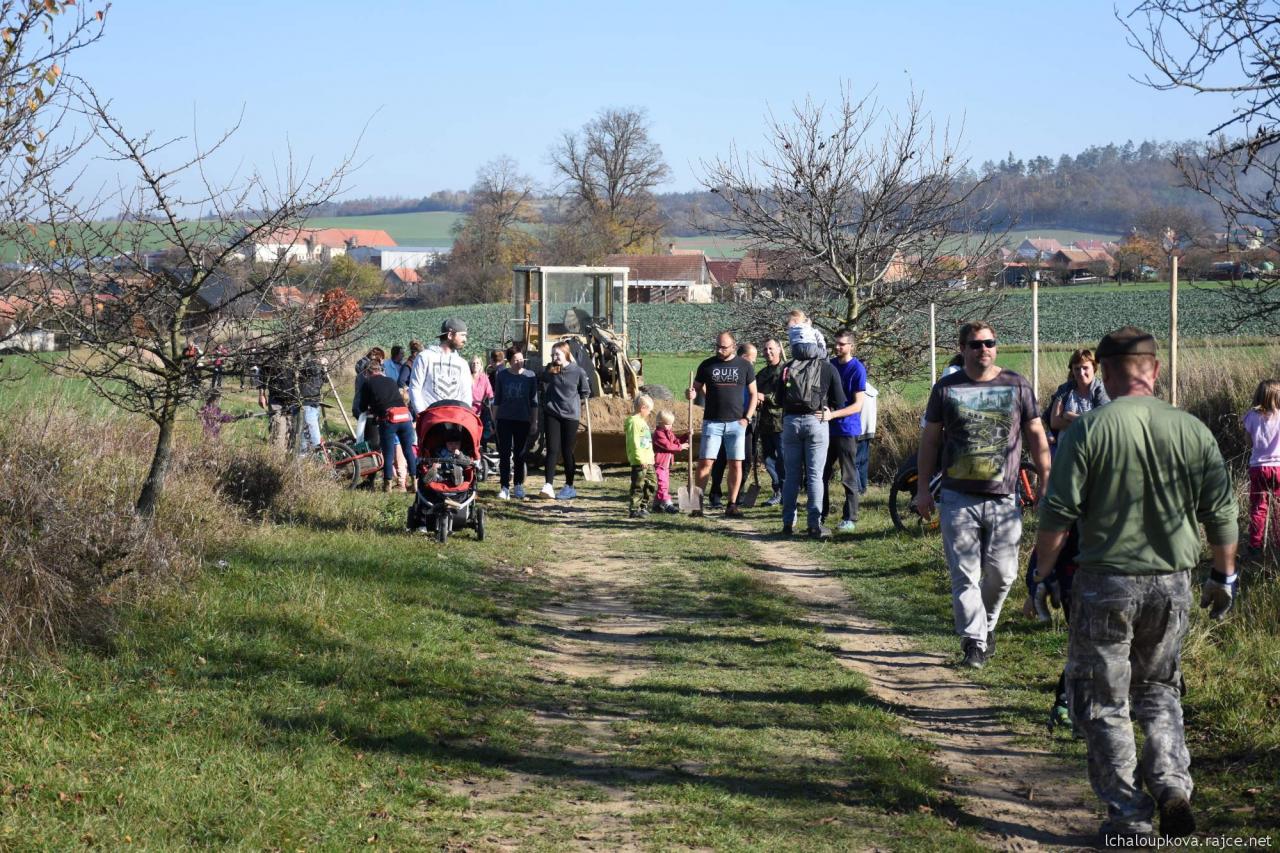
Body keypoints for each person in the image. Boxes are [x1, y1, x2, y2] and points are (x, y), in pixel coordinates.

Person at [1034, 326, 1237, 843]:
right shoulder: (1192, 429)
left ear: (1104, 372)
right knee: (1159, 688)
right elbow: (1221, 512)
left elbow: (1058, 514)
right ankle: (1171, 784)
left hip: (1105, 583)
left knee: (1105, 700)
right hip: (1172, 583)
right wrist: (1224, 574)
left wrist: (1043, 573)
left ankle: (1129, 817)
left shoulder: (1088, 430)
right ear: (1155, 369)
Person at [917, 320, 1052, 669]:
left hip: (1004, 498)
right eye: (976, 344)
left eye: (989, 343)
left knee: (1004, 574)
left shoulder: (1016, 384)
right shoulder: (946, 388)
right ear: (962, 349)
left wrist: (1045, 479)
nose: (984, 350)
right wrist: (922, 490)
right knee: (965, 575)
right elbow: (930, 440)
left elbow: (1036, 434)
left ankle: (986, 627)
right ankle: (974, 643)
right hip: (957, 497)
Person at [779, 323, 847, 539]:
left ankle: (788, 523)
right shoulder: (827, 368)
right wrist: (829, 410)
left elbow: (779, 399)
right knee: (815, 476)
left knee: (791, 475)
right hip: (817, 421)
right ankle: (814, 525)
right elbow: (840, 400)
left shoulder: (787, 367)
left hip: (791, 423)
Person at [686, 331, 757, 518]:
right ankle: (697, 505)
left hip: (737, 424)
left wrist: (747, 418)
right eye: (717, 346)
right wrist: (691, 393)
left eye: (723, 347)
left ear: (734, 346)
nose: (719, 350)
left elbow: (754, 394)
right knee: (705, 463)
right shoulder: (707, 365)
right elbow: (695, 388)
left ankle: (732, 505)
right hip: (712, 422)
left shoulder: (745, 366)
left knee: (735, 464)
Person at [821, 329, 867, 533]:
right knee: (821, 473)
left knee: (848, 475)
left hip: (847, 429)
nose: (837, 347)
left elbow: (857, 405)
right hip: (826, 428)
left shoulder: (857, 369)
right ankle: (820, 513)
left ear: (851, 346)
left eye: (842, 344)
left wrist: (833, 415)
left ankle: (850, 517)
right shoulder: (829, 365)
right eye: (836, 343)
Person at [539, 341, 590, 500]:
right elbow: (541, 380)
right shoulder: (551, 369)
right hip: (552, 413)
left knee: (567, 450)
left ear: (566, 354)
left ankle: (569, 486)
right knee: (552, 449)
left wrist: (575, 403)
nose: (554, 357)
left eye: (557, 354)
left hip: (570, 416)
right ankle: (548, 485)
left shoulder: (578, 371)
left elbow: (585, 391)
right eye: (553, 354)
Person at [709, 342, 758, 507]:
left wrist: (750, 415)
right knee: (721, 459)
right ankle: (715, 493)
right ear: (744, 357)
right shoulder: (732, 373)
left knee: (746, 459)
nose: (753, 364)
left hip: (746, 423)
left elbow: (753, 395)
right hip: (728, 421)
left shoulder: (750, 374)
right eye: (752, 360)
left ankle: (738, 492)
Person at [356, 360, 418, 492]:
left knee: (388, 453)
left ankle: (387, 485)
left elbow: (362, 406)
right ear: (380, 370)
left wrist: (371, 408)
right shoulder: (390, 380)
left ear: (367, 372)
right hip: (405, 417)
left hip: (389, 419)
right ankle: (415, 483)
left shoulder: (367, 383)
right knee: (408, 451)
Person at [492, 347, 538, 500]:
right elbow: (497, 399)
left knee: (520, 454)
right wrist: (494, 419)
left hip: (523, 419)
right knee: (505, 453)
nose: (519, 362)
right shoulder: (502, 375)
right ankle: (504, 487)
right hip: (505, 419)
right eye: (516, 360)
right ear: (509, 361)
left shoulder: (530, 376)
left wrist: (534, 421)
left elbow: (534, 401)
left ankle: (518, 485)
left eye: (521, 359)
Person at [1242, 378, 1280, 558]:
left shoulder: (1251, 416)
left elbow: (1249, 442)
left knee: (1258, 507)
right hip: (1279, 468)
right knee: (1278, 508)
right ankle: (1277, 543)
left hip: (1258, 467)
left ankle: (1255, 546)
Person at [409, 319, 471, 417]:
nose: (465, 339)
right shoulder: (425, 357)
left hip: (456, 419)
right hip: (431, 419)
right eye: (462, 335)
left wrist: (464, 416)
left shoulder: (462, 363)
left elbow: (466, 394)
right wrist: (423, 415)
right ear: (450, 335)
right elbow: (415, 388)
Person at [1047, 349, 1110, 445]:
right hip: (1065, 448)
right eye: (1077, 369)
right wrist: (1084, 425)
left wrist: (1069, 415)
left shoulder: (1101, 391)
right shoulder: (1065, 389)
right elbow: (1055, 422)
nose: (1081, 373)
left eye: (1085, 368)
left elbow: (1099, 424)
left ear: (1094, 368)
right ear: (1072, 370)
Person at [755, 337, 786, 506]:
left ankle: (786, 493)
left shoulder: (786, 371)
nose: (768, 352)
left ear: (779, 350)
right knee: (767, 460)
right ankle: (777, 490)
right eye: (765, 349)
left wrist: (764, 397)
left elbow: (785, 396)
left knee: (783, 460)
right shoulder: (762, 374)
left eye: (771, 348)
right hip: (764, 422)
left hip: (781, 423)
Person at [258, 357, 298, 453]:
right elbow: (263, 373)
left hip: (293, 401)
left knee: (290, 435)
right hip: (276, 400)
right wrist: (261, 394)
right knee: (277, 432)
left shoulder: (298, 354)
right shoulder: (274, 355)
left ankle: (286, 459)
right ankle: (276, 458)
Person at [625, 395, 656, 518]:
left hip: (648, 460)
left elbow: (647, 441)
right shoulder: (634, 422)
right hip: (640, 461)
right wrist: (640, 459)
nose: (649, 413)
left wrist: (651, 456)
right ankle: (634, 509)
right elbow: (634, 442)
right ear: (643, 408)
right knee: (638, 485)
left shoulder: (643, 423)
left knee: (652, 483)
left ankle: (643, 506)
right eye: (649, 410)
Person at [651, 410, 687, 514]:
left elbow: (676, 441)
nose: (670, 426)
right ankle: (667, 503)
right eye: (667, 424)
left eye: (671, 424)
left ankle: (656, 505)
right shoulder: (658, 434)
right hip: (659, 464)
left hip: (666, 465)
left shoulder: (669, 432)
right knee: (663, 485)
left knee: (664, 484)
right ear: (660, 423)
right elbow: (668, 446)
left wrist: (686, 436)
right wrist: (681, 447)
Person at [296, 355, 327, 456]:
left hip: (315, 404)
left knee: (308, 437)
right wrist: (319, 363)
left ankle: (307, 459)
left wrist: (324, 368)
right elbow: (310, 370)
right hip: (307, 403)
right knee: (313, 439)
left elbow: (325, 379)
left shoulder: (318, 361)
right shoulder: (306, 358)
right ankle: (305, 460)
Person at [855, 379, 877, 494]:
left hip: (859, 429)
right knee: (863, 461)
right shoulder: (871, 390)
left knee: (853, 463)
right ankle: (863, 488)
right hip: (870, 428)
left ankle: (858, 489)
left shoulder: (858, 389)